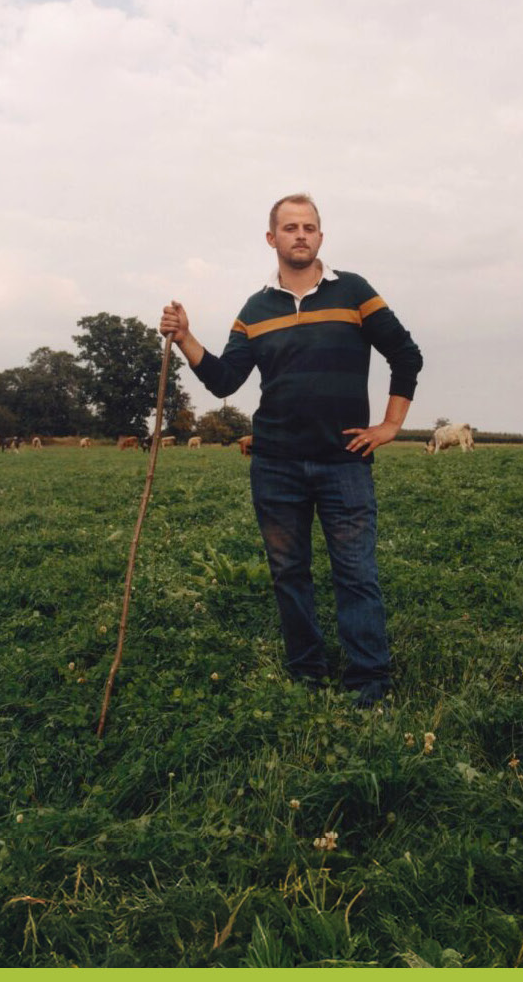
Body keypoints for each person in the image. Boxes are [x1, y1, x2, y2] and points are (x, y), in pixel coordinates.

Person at [160, 193, 423, 709]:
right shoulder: (254, 311)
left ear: (321, 237)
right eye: (289, 228)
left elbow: (405, 354)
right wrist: (188, 337)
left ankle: (369, 683)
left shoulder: (354, 293)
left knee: (356, 573)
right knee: (288, 572)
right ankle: (307, 673)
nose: (300, 235)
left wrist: (391, 424)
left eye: (309, 227)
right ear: (271, 238)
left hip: (344, 460)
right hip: (275, 464)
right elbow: (224, 381)